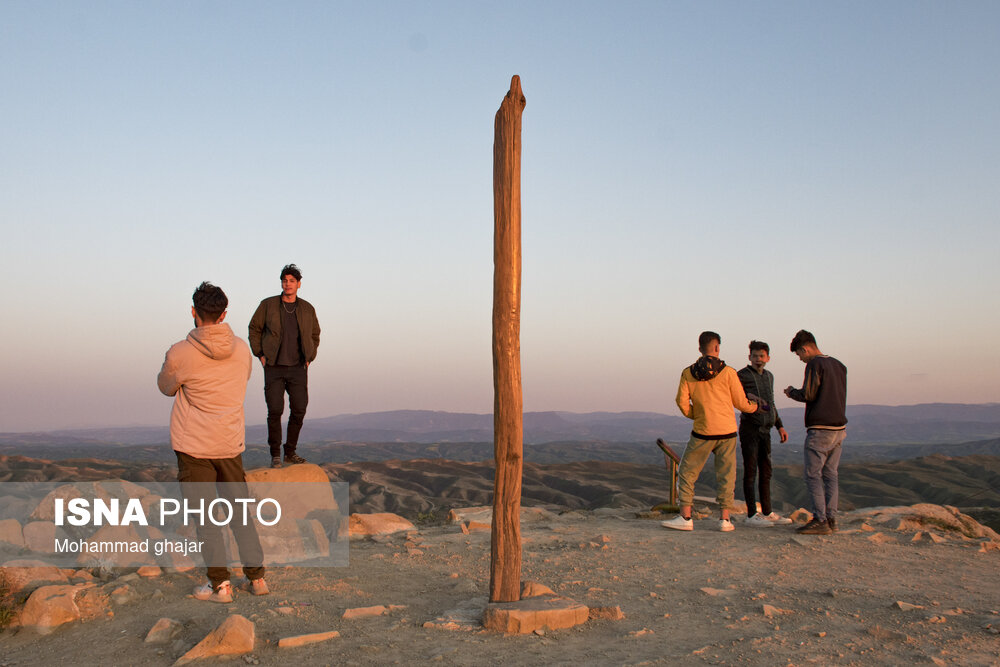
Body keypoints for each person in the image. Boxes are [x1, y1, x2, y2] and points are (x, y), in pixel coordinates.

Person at [157, 281, 269, 602]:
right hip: (230, 443)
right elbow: (242, 380)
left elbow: (166, 387)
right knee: (240, 513)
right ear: (224, 314)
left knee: (206, 518)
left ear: (194, 312)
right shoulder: (241, 350)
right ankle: (257, 578)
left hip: (194, 447)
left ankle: (220, 585)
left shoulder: (180, 352)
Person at [663, 331, 759, 532]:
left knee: (688, 472)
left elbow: (681, 402)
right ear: (717, 348)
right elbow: (741, 403)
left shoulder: (688, 372)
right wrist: (756, 407)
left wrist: (697, 415)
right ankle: (725, 519)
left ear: (700, 348)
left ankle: (686, 517)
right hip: (727, 432)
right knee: (726, 475)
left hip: (702, 431)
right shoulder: (729, 372)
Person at [249, 264, 321, 469]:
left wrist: (310, 356)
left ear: (299, 284)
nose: (287, 284)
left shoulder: (307, 308)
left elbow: (315, 334)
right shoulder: (268, 305)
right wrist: (260, 354)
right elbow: (254, 328)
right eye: (284, 280)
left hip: (298, 367)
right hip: (274, 366)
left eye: (291, 281)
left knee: (299, 409)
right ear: (281, 283)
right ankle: (275, 454)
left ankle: (290, 452)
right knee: (275, 410)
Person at [783, 330, 848, 535]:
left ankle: (820, 520)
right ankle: (831, 518)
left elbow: (809, 394)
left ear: (805, 348)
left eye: (799, 355)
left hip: (821, 428)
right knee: (831, 474)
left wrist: (791, 392)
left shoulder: (815, 365)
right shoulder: (839, 365)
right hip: (839, 428)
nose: (801, 359)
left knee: (813, 474)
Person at [737, 340, 792, 527]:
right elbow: (737, 398)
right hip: (750, 429)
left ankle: (767, 512)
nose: (758, 359)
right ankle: (752, 515)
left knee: (766, 472)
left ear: (768, 358)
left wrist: (780, 426)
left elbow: (771, 403)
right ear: (749, 357)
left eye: (761, 356)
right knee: (751, 471)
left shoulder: (769, 376)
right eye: (754, 356)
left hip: (766, 429)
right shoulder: (742, 375)